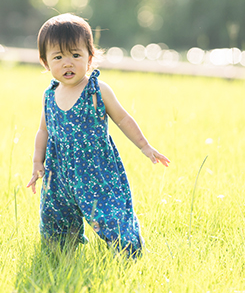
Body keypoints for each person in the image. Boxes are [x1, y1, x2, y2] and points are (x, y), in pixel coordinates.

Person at [27, 13, 170, 257]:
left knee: (108, 214)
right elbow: (43, 130)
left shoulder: (96, 90)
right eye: (58, 57)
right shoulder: (49, 96)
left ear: (90, 57)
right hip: (59, 170)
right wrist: (37, 163)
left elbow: (123, 118)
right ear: (45, 62)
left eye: (75, 55)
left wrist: (145, 146)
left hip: (96, 169)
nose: (67, 63)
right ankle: (62, 254)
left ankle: (127, 251)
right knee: (56, 217)